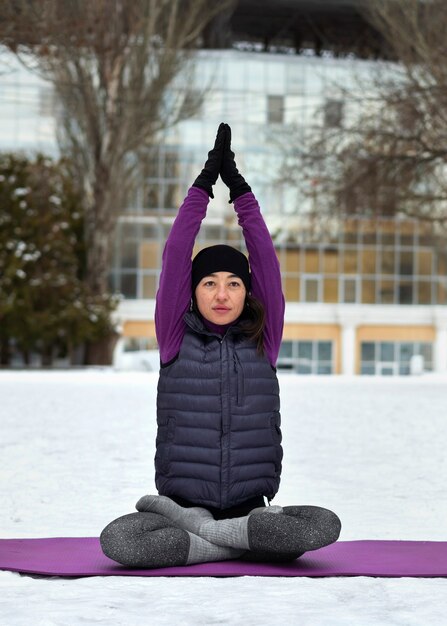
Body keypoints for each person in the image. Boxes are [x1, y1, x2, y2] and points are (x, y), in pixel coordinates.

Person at [100, 123, 341, 568]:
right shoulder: (174, 336)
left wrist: (242, 194)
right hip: (182, 507)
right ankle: (240, 541)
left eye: (233, 284)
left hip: (251, 505)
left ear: (247, 293)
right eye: (209, 283)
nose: (222, 294)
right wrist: (203, 187)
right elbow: (176, 257)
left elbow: (265, 261)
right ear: (192, 293)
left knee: (323, 524)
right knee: (119, 540)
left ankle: (210, 543)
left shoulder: (263, 339)